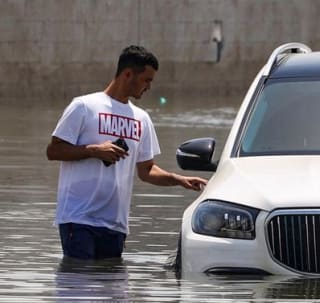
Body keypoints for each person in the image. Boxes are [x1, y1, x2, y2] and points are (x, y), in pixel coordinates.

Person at [46, 45, 208, 260]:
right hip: (79, 219)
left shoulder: (141, 118)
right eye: (146, 80)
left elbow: (146, 170)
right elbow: (53, 150)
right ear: (128, 74)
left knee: (112, 289)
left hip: (115, 224)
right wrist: (93, 150)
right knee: (80, 286)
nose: (149, 86)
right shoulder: (84, 106)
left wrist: (178, 179)